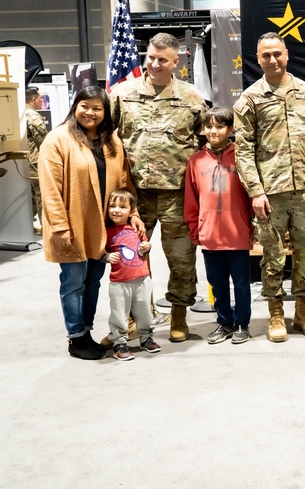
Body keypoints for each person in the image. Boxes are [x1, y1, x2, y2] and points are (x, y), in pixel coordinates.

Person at [110, 31, 206, 342]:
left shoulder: (192, 98)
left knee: (181, 258)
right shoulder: (123, 95)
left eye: (162, 59)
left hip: (178, 194)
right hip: (134, 196)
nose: (154, 63)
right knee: (129, 257)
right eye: (150, 57)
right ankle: (133, 320)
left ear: (176, 62)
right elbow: (106, 138)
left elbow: (206, 142)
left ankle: (179, 314)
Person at [235, 32, 305, 343]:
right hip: (270, 193)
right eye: (265, 55)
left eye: (277, 54)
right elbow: (242, 150)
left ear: (287, 54)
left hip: (304, 191)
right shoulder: (249, 99)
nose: (272, 60)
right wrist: (255, 191)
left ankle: (302, 309)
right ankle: (275, 313)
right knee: (273, 255)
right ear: (258, 59)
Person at [39, 86, 136, 360]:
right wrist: (59, 226)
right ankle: (76, 337)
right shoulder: (57, 139)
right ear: (75, 106)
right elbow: (50, 188)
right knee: (73, 282)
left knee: (93, 281)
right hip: (72, 226)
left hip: (103, 228)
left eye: (97, 108)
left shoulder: (111, 142)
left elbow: (125, 183)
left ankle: (87, 331)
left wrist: (133, 215)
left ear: (105, 113)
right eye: (85, 106)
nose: (90, 112)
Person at [184, 106, 254, 345]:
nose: (213, 131)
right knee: (217, 283)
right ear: (203, 130)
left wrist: (252, 226)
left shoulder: (241, 156)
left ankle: (242, 323)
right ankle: (224, 323)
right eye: (209, 126)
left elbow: (251, 194)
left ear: (230, 129)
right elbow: (191, 199)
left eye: (219, 126)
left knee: (242, 283)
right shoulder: (195, 161)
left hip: (237, 232)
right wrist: (196, 229)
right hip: (210, 233)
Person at [103, 188, 159, 361]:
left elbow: (145, 243)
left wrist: (147, 246)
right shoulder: (106, 231)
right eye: (112, 206)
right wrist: (106, 257)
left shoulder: (136, 227)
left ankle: (146, 338)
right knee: (119, 314)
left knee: (144, 312)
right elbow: (97, 251)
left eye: (122, 206)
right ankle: (119, 342)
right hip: (119, 283)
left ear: (131, 211)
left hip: (142, 279)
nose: (116, 210)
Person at [25, 85, 48, 233]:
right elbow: (44, 141)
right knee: (41, 194)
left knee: (31, 195)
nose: (42, 101)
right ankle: (46, 227)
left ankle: (27, 226)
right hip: (35, 161)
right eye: (40, 98)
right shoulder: (32, 115)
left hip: (25, 160)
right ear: (33, 99)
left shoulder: (20, 111)